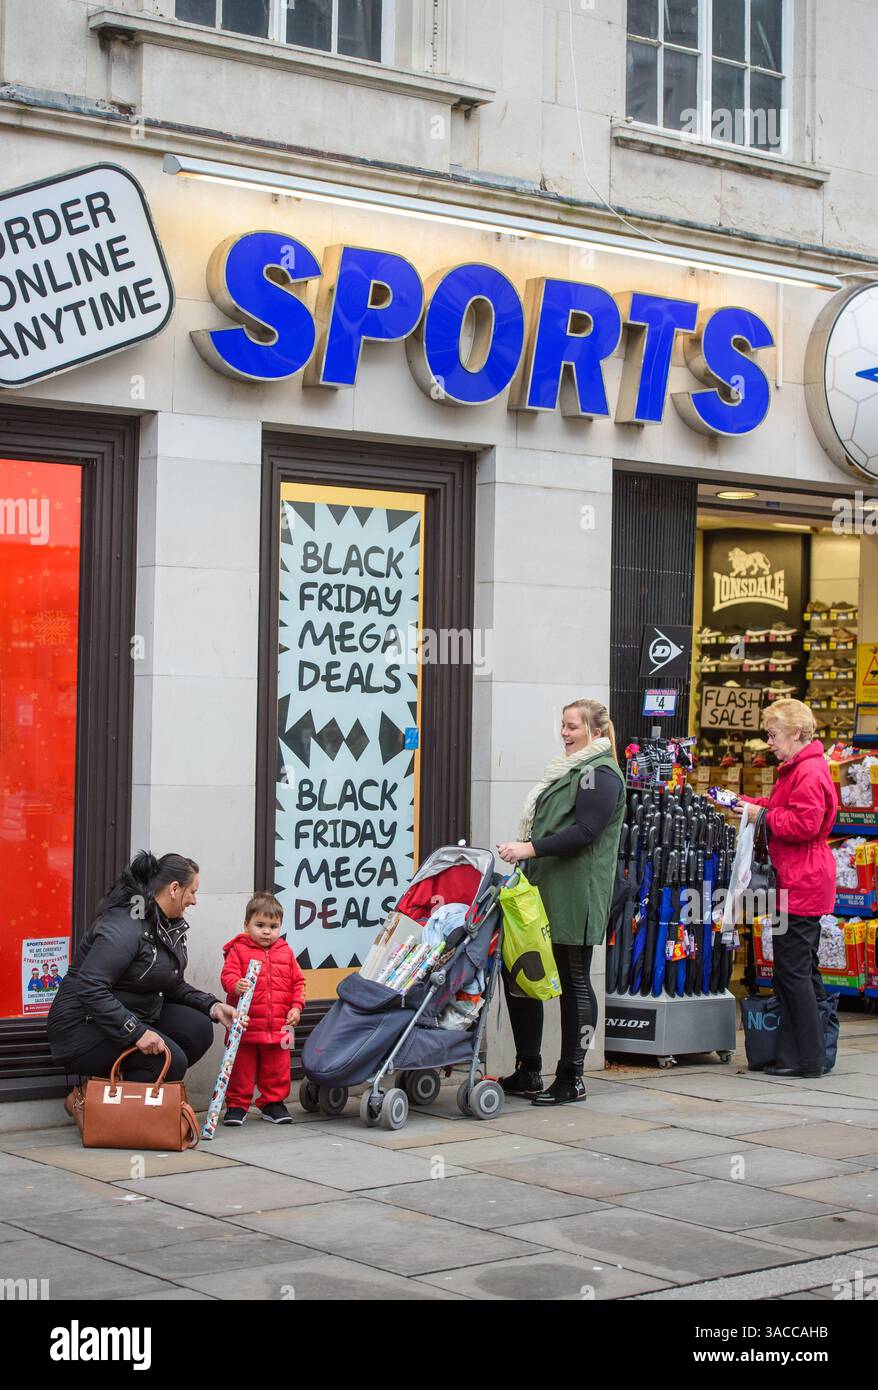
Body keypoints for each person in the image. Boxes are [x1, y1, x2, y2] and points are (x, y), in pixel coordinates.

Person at [497, 698, 625, 1105]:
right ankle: (529, 1070)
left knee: (573, 981)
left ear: (596, 732)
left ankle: (572, 1077)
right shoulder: (570, 770)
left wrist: (528, 849)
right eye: (563, 726)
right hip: (542, 890)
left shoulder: (600, 774)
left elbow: (586, 831)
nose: (564, 733)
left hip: (575, 894)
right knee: (519, 973)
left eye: (572, 726)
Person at [48, 851, 240, 1108]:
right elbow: (90, 987)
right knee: (170, 1060)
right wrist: (136, 1032)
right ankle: (100, 1107)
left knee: (198, 1030)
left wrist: (212, 1006)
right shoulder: (125, 925)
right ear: (174, 888)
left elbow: (171, 983)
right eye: (192, 892)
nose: (194, 901)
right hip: (82, 1025)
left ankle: (111, 1093)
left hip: (130, 1013)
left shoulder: (167, 925)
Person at [736, 698, 837, 1078]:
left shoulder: (808, 772)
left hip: (801, 880)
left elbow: (803, 824)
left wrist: (760, 814)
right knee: (802, 971)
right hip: (799, 878)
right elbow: (783, 809)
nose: (769, 742)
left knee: (793, 971)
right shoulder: (798, 768)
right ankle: (809, 1053)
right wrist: (745, 804)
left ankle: (805, 1058)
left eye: (774, 734)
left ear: (796, 733)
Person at [220, 893, 306, 1125]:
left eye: (273, 926)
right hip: (246, 1025)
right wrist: (236, 985)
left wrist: (296, 1007)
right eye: (260, 925)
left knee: (277, 1068)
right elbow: (227, 975)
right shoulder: (239, 950)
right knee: (241, 1069)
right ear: (246, 925)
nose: (267, 931)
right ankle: (237, 1105)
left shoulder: (285, 953)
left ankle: (273, 1103)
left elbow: (298, 982)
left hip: (278, 1025)